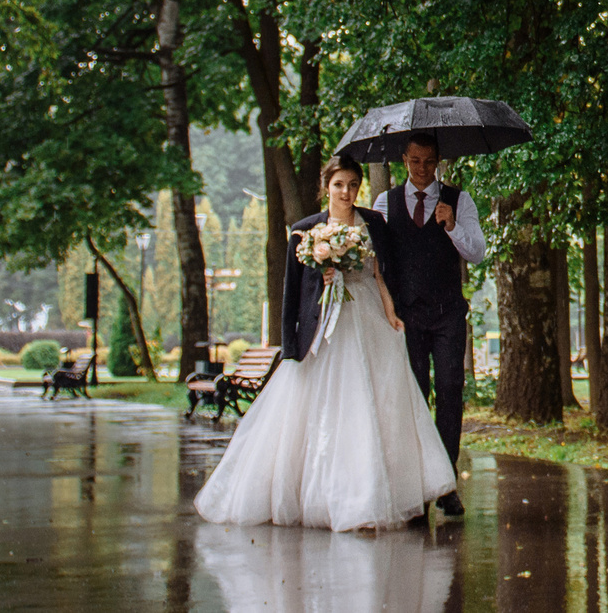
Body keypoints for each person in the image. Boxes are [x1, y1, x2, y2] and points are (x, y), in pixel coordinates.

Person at [193, 156, 456, 531]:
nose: (346, 192)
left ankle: (372, 495)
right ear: (325, 187)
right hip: (325, 327)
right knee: (326, 406)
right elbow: (292, 292)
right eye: (339, 185)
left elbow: (381, 274)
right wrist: (291, 340)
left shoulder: (375, 224)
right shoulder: (305, 230)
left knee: (374, 402)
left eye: (352, 184)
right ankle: (320, 493)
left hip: (367, 319)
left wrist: (392, 312)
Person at [375, 132, 486, 518]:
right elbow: (377, 262)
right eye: (415, 161)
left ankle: (446, 482)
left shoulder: (459, 200)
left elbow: (477, 253)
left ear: (439, 161)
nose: (422, 170)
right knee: (416, 394)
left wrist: (452, 226)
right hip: (408, 316)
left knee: (450, 389)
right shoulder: (384, 203)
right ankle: (417, 483)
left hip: (448, 313)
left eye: (429, 162)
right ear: (404, 159)